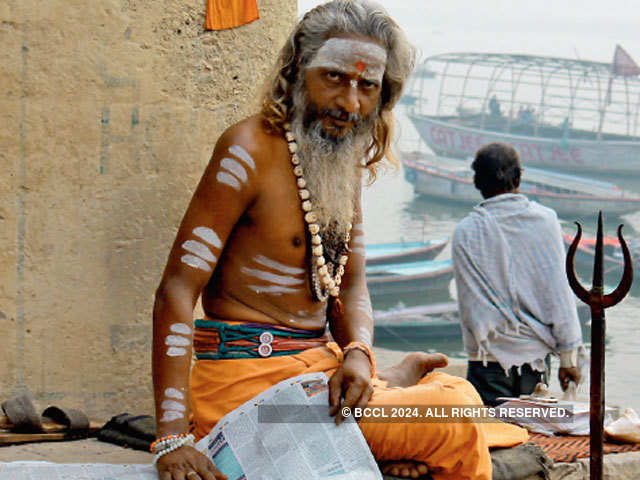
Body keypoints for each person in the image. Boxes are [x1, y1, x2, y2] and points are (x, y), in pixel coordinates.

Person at [152, 3, 528, 479]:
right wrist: (172, 438)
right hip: (249, 387)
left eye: (366, 86)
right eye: (334, 78)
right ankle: (389, 406)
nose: (349, 103)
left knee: (461, 397)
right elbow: (177, 291)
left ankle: (383, 387)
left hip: (317, 377)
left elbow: (350, 287)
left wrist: (358, 354)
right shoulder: (246, 150)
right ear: (296, 72)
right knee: (452, 420)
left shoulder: (339, 160)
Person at [451, 142, 584, 407]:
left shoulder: (465, 232)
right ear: (519, 178)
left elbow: (469, 308)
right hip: (533, 365)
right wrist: (569, 359)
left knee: (491, 440)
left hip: (486, 361)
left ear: (477, 182)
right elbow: (558, 295)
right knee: (530, 438)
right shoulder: (545, 221)